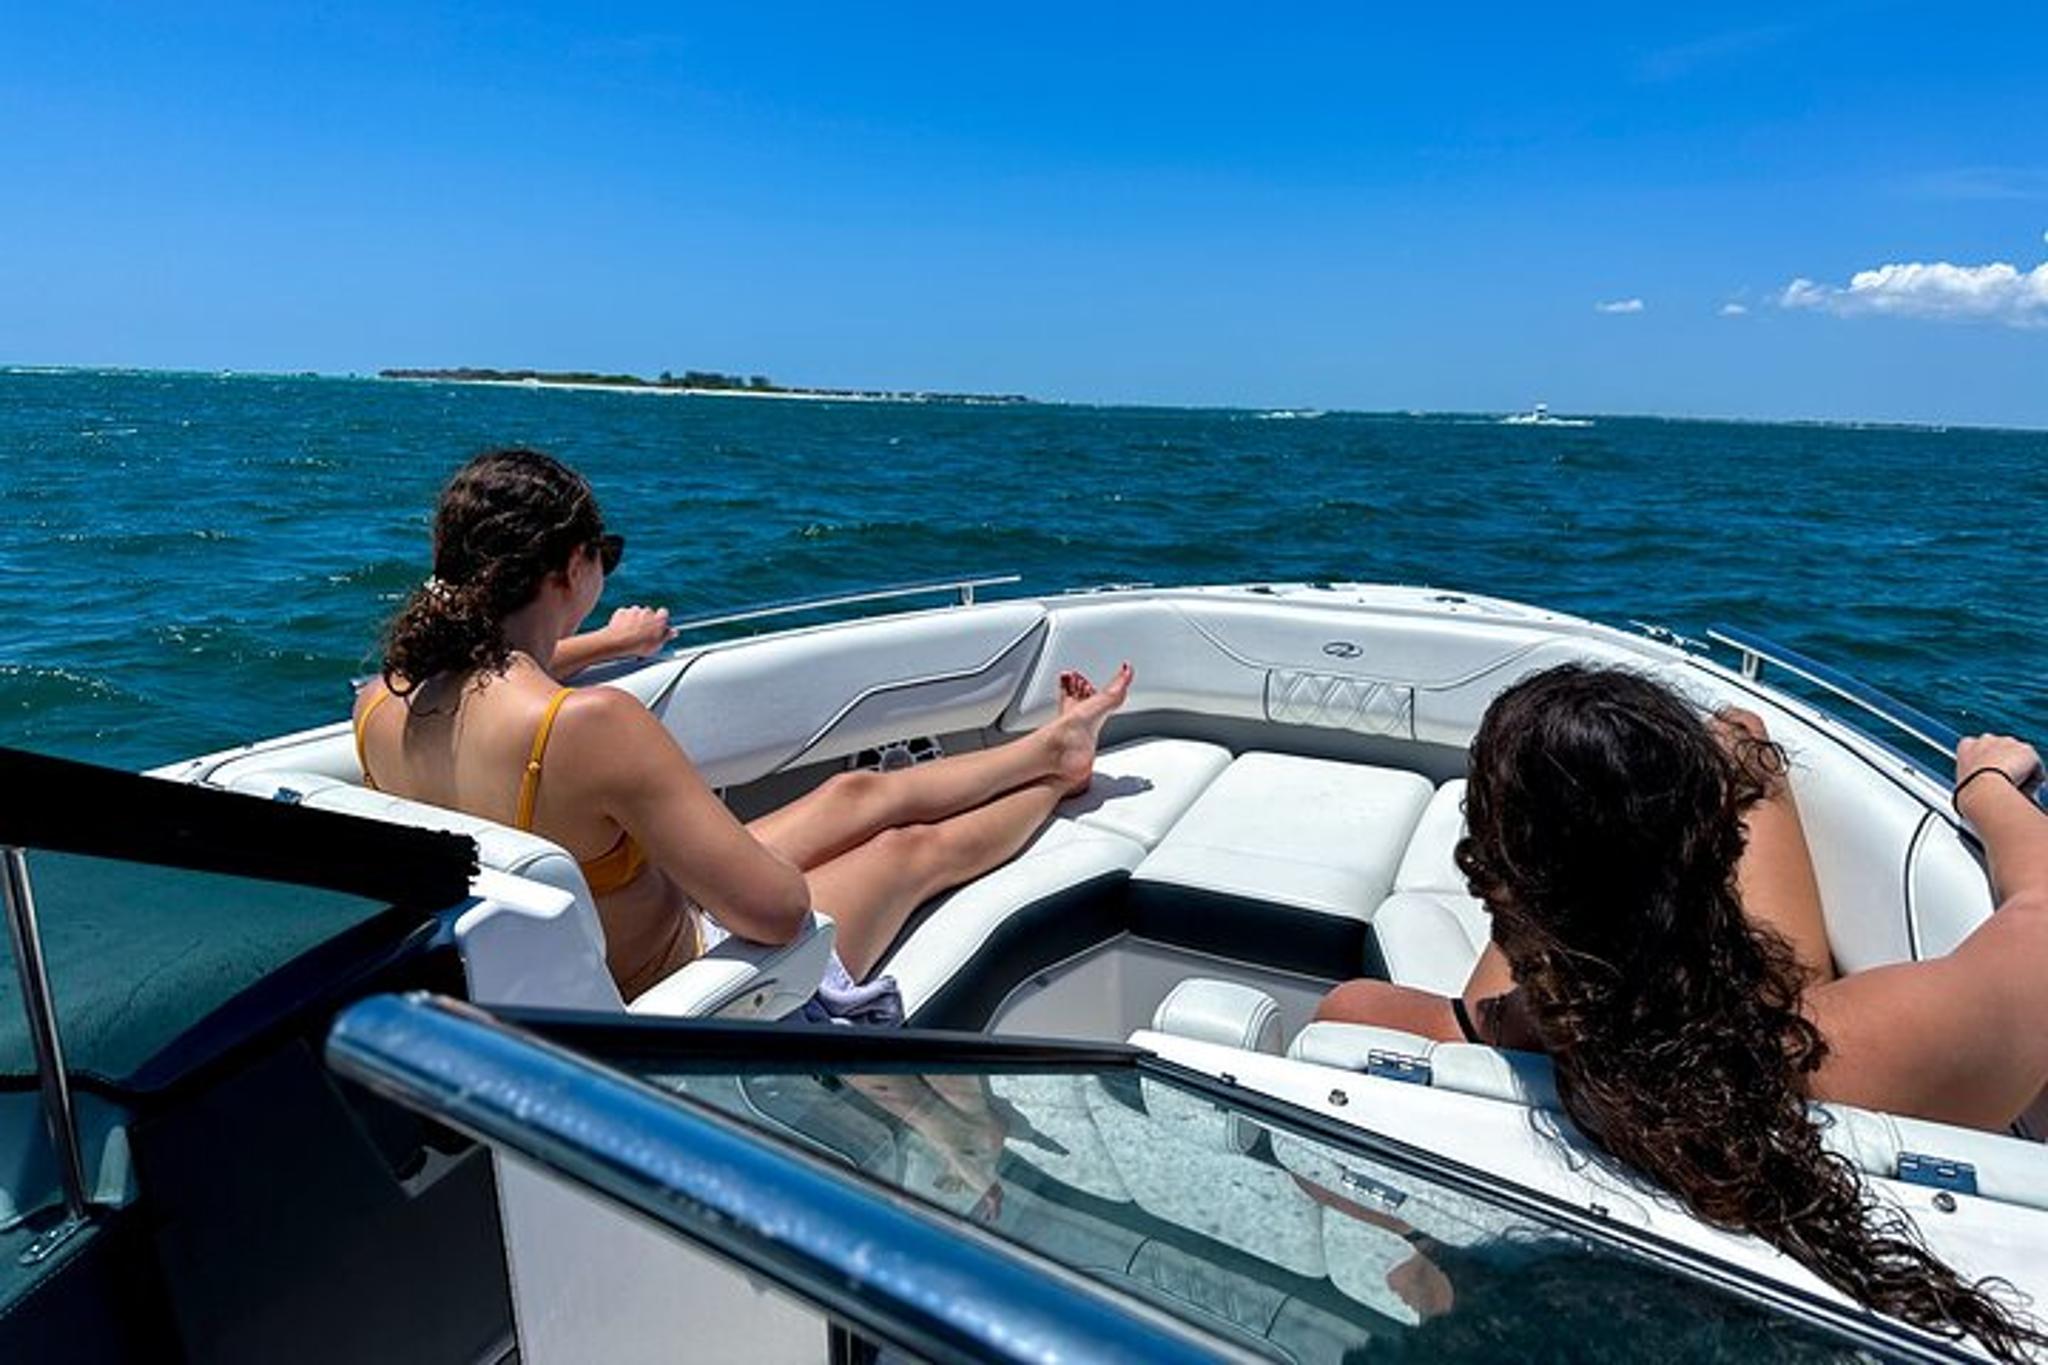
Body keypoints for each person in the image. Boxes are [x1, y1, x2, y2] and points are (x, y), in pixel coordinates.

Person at [1316, 663, 2047, 1358]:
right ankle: (1701, 806)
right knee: (1736, 750)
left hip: (1522, 1068)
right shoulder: (1873, 1048)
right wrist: (1984, 786)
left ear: (1486, 882)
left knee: (1571, 895)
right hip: (1730, 1023)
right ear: (1716, 863)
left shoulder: (1375, 1032)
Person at [354, 447, 1131, 1003]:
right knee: (903, 849)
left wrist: (614, 642)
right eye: (605, 555)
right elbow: (778, 911)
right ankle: (1058, 780)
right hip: (684, 975)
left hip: (575, 961)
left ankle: (1049, 744)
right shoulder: (587, 726)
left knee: (856, 790)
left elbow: (497, 672)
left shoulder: (382, 706)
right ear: (567, 570)